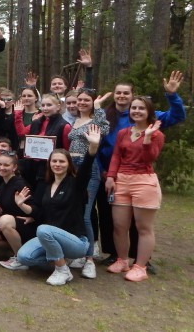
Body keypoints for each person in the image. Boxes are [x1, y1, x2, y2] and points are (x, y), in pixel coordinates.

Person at [96, 72, 184, 271]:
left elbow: (177, 116)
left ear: (132, 95)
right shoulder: (106, 116)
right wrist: (105, 172)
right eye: (118, 93)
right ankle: (115, 255)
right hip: (109, 175)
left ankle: (141, 259)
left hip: (138, 175)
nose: (122, 96)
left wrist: (172, 96)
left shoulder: (148, 117)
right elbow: (100, 145)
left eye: (126, 93)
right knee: (112, 219)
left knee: (139, 221)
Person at [16, 124, 100, 286]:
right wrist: (22, 206)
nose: (57, 164)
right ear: (49, 163)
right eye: (54, 161)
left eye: (62, 161)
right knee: (24, 257)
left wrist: (93, 146)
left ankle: (62, 270)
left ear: (69, 164)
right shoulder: (46, 185)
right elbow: (39, 212)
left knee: (43, 229)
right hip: (50, 237)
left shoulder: (76, 184)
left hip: (76, 242)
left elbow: (86, 168)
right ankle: (60, 260)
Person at [105, 97, 165, 282]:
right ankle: (122, 260)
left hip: (144, 181)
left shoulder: (156, 134)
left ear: (149, 112)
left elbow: (150, 158)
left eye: (141, 108)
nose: (136, 111)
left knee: (143, 227)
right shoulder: (123, 132)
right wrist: (110, 177)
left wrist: (147, 138)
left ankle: (140, 266)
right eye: (134, 108)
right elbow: (116, 156)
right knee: (119, 225)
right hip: (122, 180)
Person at [65, 88, 110, 275]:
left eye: (86, 100)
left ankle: (90, 259)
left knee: (86, 213)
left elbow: (104, 130)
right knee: (73, 211)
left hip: (88, 167)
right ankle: (78, 252)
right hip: (72, 168)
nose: (81, 103)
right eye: (79, 100)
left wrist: (99, 108)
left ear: (92, 102)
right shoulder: (74, 120)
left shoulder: (95, 120)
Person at [0, 151, 38, 270]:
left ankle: (21, 259)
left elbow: (36, 209)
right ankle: (20, 249)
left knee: (6, 220)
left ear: (14, 167)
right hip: (11, 224)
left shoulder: (20, 184)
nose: (1, 167)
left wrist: (28, 212)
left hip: (27, 225)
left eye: (6, 165)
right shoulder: (3, 184)